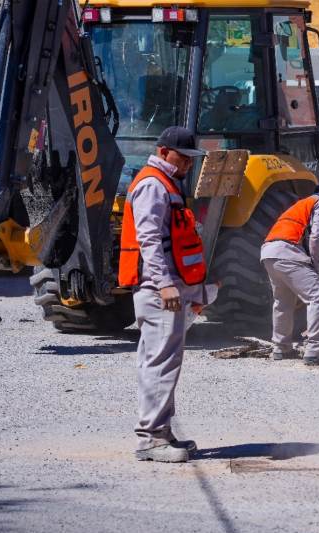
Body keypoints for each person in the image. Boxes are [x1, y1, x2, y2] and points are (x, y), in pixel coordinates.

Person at [118, 126, 207, 463]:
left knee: (163, 361)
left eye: (190, 158)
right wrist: (166, 284)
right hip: (158, 290)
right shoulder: (153, 185)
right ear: (163, 151)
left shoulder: (165, 184)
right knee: (160, 362)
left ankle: (161, 431)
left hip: (166, 288)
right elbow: (150, 240)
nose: (186, 164)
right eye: (182, 157)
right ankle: (151, 438)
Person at [261, 182, 319, 366]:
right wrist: (315, 266)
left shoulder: (305, 203)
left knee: (283, 302)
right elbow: (317, 236)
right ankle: (316, 350)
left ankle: (282, 347)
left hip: (269, 252)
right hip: (288, 251)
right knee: (318, 296)